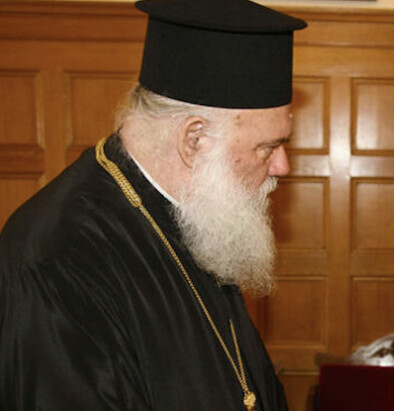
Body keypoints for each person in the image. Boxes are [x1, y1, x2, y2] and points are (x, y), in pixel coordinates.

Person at [0, 0, 305, 409]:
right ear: (194, 140)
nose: (282, 166)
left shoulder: (201, 215)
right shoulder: (58, 260)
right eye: (267, 147)